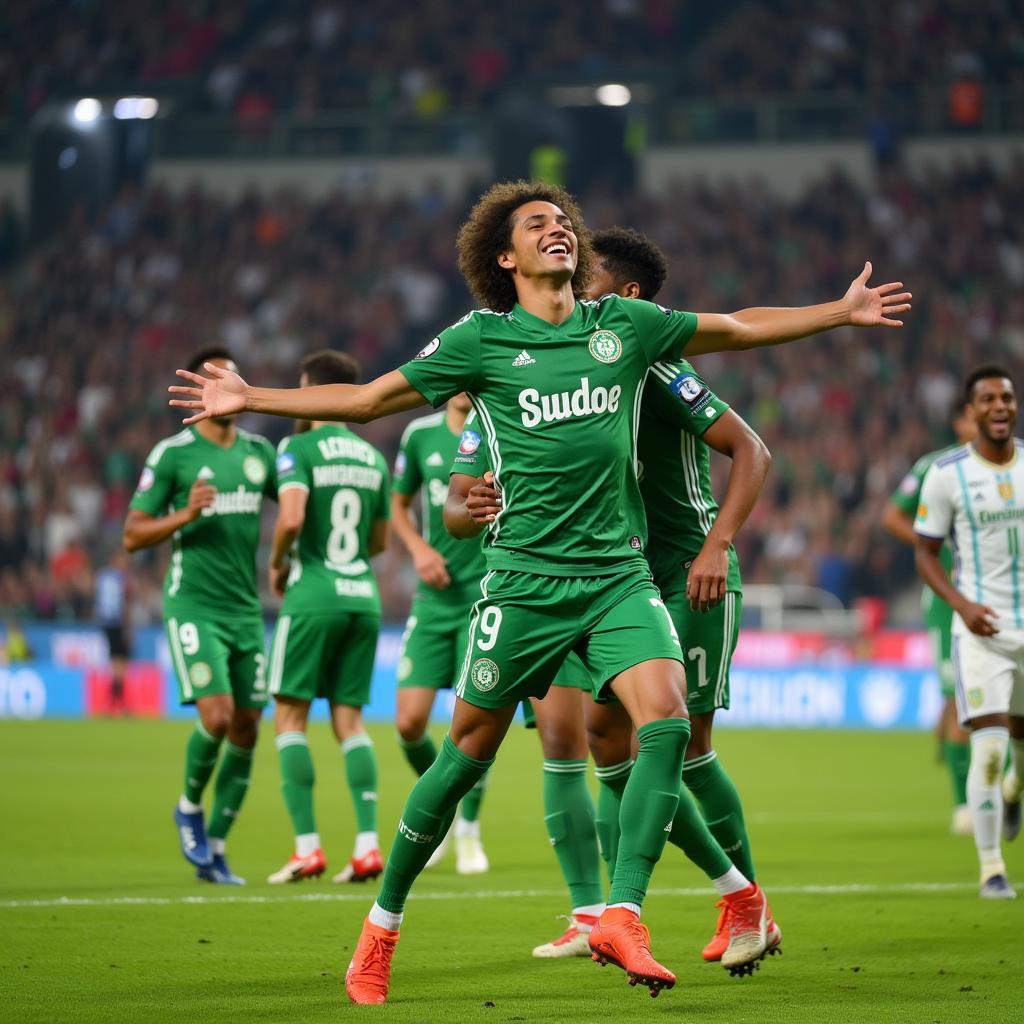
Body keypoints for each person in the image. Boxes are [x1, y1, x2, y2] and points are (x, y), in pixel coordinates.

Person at [168, 180, 910, 1001]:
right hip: (521, 585)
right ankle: (380, 929)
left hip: (618, 576)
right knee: (461, 759)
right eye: (538, 225)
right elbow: (369, 399)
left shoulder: (622, 327)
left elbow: (734, 329)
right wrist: (253, 396)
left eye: (565, 224)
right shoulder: (481, 341)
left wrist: (837, 314)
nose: (558, 232)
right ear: (505, 256)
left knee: (663, 721)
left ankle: (622, 912)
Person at [446, 227, 776, 969]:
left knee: (687, 746)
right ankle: (613, 909)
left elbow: (752, 447)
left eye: (587, 282)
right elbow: (462, 492)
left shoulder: (651, 363)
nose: (571, 296)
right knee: (605, 740)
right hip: (608, 575)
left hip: (687, 571)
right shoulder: (556, 364)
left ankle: (749, 906)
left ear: (624, 297)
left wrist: (717, 544)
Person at [127, 346, 277, 885]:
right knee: (216, 717)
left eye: (235, 377)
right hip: (193, 604)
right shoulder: (174, 454)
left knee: (246, 727)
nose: (230, 386)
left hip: (244, 609)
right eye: (219, 378)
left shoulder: (260, 453)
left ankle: (215, 847)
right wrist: (185, 514)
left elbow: (297, 504)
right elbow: (132, 533)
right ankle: (189, 805)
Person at [264, 350, 392, 885]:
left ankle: (307, 848)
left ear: (313, 391)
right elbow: (379, 542)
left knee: (291, 720)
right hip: (362, 597)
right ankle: (366, 845)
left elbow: (291, 516)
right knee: (351, 724)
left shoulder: (296, 448)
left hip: (312, 595)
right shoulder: (373, 459)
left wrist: (278, 565)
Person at [914, 365, 1024, 899]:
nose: (1000, 406)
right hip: (980, 630)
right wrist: (961, 604)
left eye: (1006, 397)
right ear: (971, 411)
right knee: (988, 747)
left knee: (1016, 754)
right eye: (988, 399)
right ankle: (991, 869)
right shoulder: (946, 474)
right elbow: (925, 552)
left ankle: (1015, 789)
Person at [390, 393, 490, 874]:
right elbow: (397, 503)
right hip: (432, 602)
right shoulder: (419, 436)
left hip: (481, 596)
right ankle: (446, 810)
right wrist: (417, 551)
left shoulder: (497, 423)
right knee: (409, 724)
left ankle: (469, 830)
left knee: (469, 727)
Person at [883, 400, 977, 834]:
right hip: (947, 597)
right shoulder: (935, 466)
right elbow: (892, 515)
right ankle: (964, 806)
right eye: (976, 413)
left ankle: (993, 784)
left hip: (997, 594)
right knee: (958, 696)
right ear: (959, 420)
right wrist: (934, 545)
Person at [94, 548, 133, 715]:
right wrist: (128, 629)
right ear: (116, 560)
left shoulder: (102, 576)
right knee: (120, 666)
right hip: (117, 625)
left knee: (116, 665)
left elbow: (98, 602)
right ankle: (117, 704)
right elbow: (124, 605)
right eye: (123, 560)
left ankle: (114, 704)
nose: (125, 563)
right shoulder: (121, 578)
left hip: (106, 624)